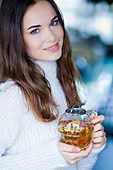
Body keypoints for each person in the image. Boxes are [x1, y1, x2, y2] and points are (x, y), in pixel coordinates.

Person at [0, 0, 106, 169]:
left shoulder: (61, 81)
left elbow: (77, 167)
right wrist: (54, 154)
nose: (51, 36)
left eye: (54, 22)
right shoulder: (11, 96)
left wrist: (89, 146)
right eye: (35, 30)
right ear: (15, 38)